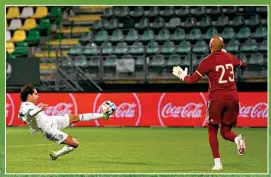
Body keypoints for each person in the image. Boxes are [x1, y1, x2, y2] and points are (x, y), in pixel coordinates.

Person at [172, 35, 247, 170]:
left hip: (217, 99)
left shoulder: (208, 61)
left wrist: (182, 75)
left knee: (212, 130)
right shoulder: (230, 57)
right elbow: (243, 65)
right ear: (222, 47)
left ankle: (218, 164)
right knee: (225, 132)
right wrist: (231, 58)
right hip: (233, 99)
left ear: (211, 47)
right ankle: (237, 139)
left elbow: (192, 80)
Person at [18, 84, 114, 160]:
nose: (38, 96)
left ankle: (102, 115)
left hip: (51, 120)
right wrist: (39, 109)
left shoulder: (24, 105)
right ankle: (56, 154)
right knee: (75, 143)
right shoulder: (28, 106)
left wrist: (25, 119)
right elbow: (31, 113)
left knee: (75, 117)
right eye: (35, 94)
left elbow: (20, 116)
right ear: (29, 95)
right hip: (49, 130)